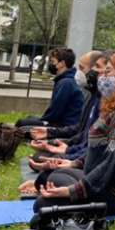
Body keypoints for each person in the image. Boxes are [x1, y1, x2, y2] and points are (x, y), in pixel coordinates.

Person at [21, 49, 115, 230]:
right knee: (51, 178)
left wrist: (73, 190)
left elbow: (113, 163)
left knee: (43, 204)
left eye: (107, 72)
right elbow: (101, 151)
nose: (101, 76)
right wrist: (72, 163)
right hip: (100, 180)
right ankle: (66, 206)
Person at [18, 51, 106, 190]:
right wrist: (60, 146)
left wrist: (69, 157)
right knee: (42, 164)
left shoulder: (112, 106)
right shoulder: (93, 96)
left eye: (82, 68)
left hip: (91, 167)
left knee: (50, 176)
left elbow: (103, 157)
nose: (80, 72)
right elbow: (83, 135)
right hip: (80, 152)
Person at [15, 47, 84, 128]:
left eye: (52, 61)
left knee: (21, 123)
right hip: (61, 122)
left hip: (63, 126)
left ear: (62, 63)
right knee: (30, 118)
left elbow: (55, 111)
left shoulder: (66, 83)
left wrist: (42, 121)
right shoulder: (66, 80)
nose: (50, 64)